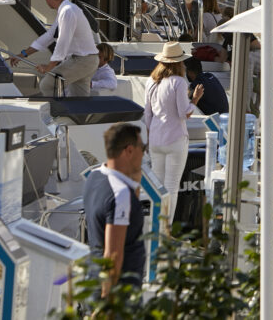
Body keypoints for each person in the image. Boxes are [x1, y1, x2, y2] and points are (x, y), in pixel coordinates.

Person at [83, 123, 147, 294]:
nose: (144, 154)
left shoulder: (94, 177)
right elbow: (113, 256)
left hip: (94, 277)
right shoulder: (120, 194)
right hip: (117, 294)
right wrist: (107, 303)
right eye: (142, 148)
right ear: (129, 151)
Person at [12, 0, 99, 96]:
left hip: (81, 61)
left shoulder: (67, 11)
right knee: (78, 98)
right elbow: (49, 36)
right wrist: (22, 54)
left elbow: (62, 42)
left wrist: (49, 67)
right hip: (88, 61)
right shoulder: (68, 9)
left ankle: (54, 108)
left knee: (47, 85)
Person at [142, 42, 202, 205]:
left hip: (155, 139)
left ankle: (157, 220)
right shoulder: (178, 82)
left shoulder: (151, 81)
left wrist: (149, 138)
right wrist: (195, 99)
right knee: (172, 187)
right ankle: (167, 221)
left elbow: (148, 114)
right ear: (179, 62)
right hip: (175, 139)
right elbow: (184, 113)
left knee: (158, 188)